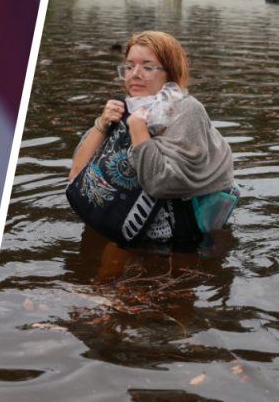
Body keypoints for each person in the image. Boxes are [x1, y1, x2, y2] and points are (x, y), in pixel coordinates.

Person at [69, 31, 235, 245]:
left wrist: (138, 127)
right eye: (129, 66)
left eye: (147, 67)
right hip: (125, 226)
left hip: (178, 239)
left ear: (170, 73)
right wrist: (101, 125)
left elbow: (161, 184)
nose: (135, 74)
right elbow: (76, 177)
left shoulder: (187, 111)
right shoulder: (126, 107)